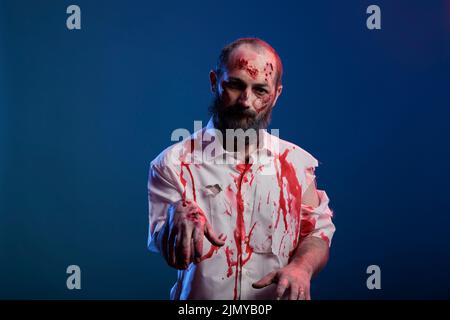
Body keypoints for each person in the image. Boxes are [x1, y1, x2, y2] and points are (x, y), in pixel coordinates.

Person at [147, 38, 336, 300]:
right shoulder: (171, 164)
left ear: (276, 94)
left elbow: (316, 233)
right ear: (214, 82)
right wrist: (173, 219)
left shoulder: (296, 164)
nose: (246, 101)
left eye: (260, 90)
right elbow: (168, 248)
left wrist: (301, 268)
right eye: (235, 85)